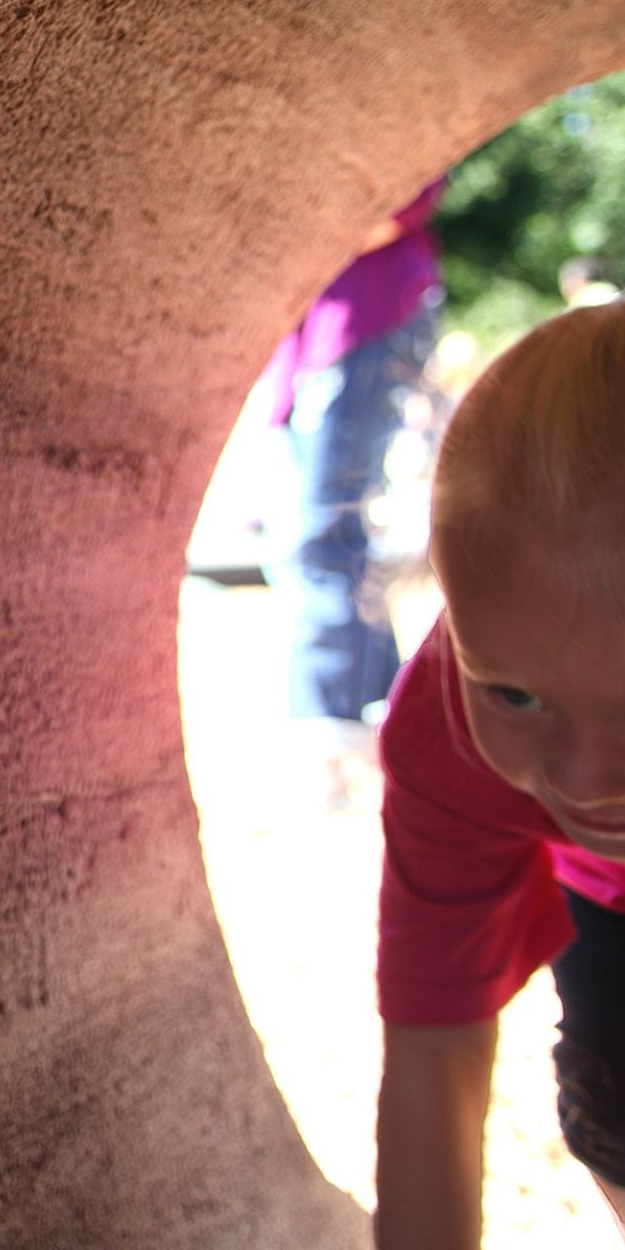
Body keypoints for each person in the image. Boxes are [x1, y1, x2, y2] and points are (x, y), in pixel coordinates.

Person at [372, 293, 625, 1250]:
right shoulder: (449, 730)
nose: (587, 781)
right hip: (619, 910)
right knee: (623, 1101)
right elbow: (433, 1044)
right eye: (517, 692)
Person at [265, 181, 446, 800]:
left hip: (359, 321)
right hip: (324, 337)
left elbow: (395, 205)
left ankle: (334, 746)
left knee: (322, 540)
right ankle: (375, 722)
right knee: (329, 542)